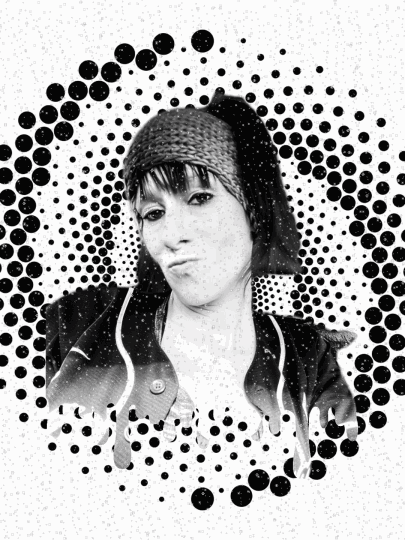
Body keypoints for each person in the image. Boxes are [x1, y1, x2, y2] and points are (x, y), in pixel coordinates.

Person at [46, 92, 358, 479]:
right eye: (153, 213)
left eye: (199, 197)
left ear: (254, 210)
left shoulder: (307, 359)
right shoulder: (72, 326)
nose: (172, 234)